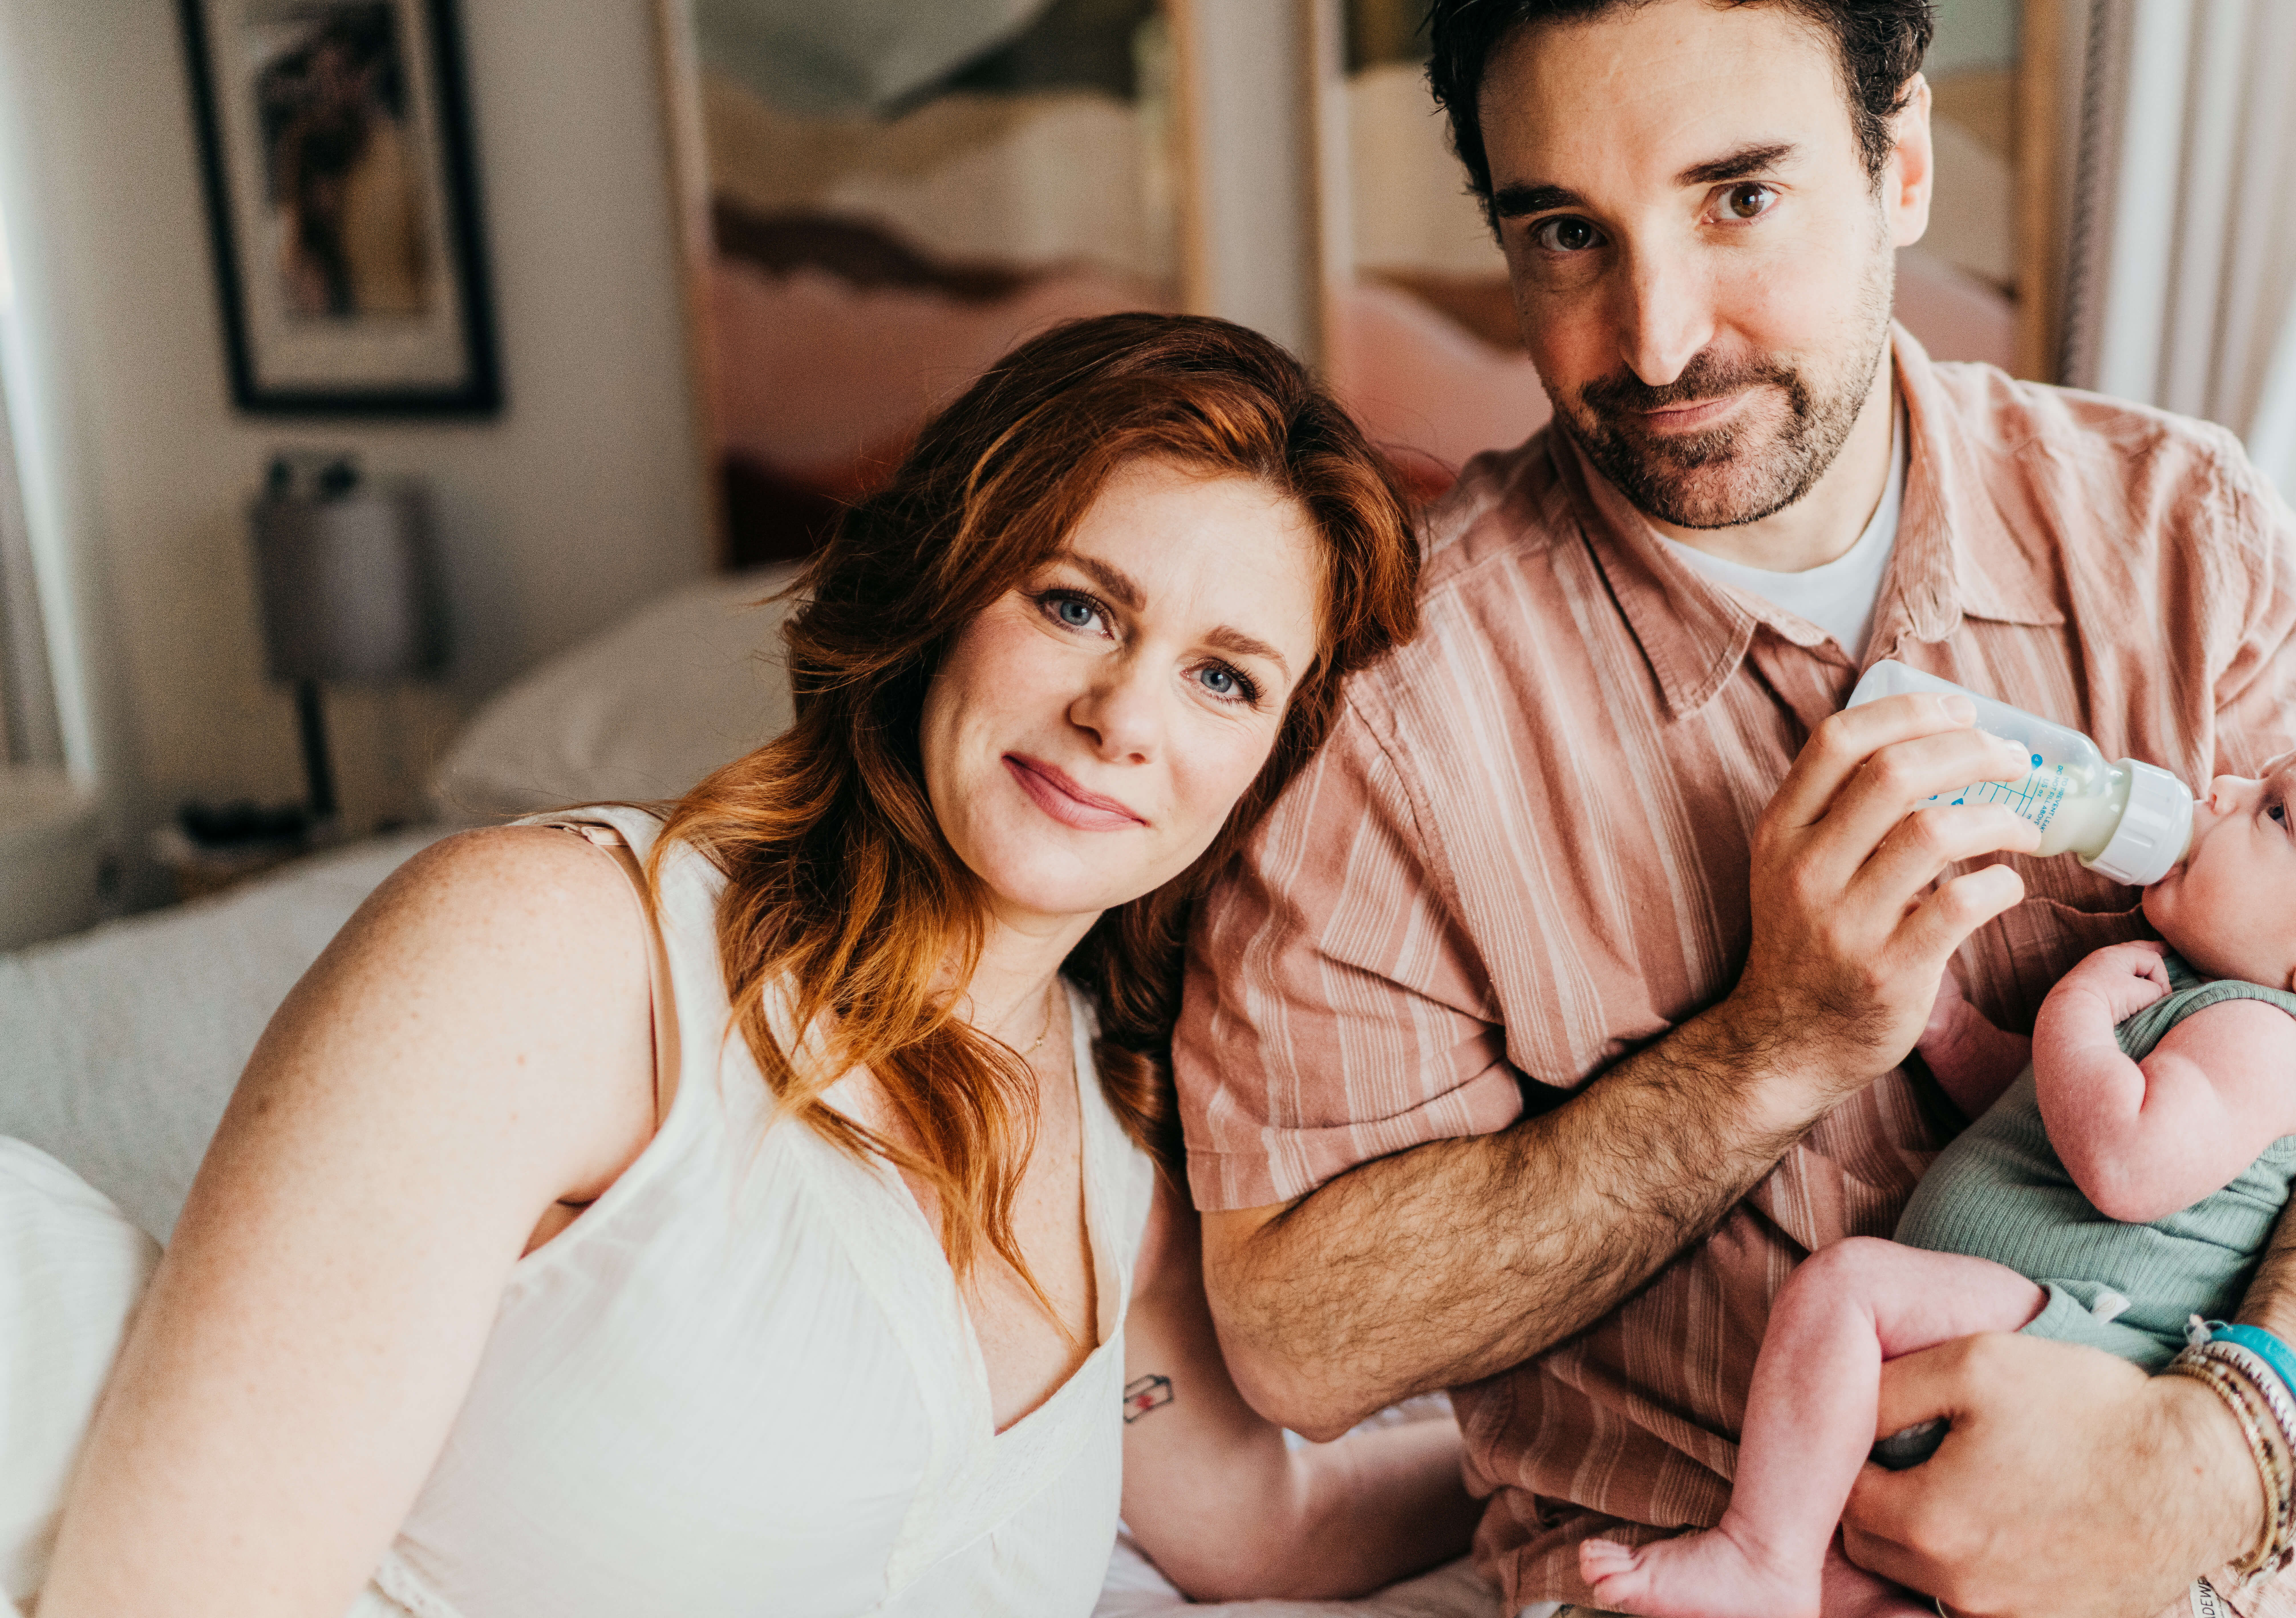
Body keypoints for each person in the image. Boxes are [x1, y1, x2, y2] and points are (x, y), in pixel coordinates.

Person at [1174, 0, 2296, 1617]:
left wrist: (2218, 1454)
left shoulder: (2177, 536)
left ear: (1898, 162)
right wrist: (1769, 1049)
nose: (1657, 339)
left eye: (1739, 199)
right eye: (1565, 234)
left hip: (2248, 1550)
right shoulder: (1393, 698)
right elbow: (1297, 1339)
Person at [34, 313, 1477, 1618]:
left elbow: (1265, 1530)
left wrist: (1583, 1446)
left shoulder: (1116, 1151)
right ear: (944, 592)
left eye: (1224, 678)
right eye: (1076, 605)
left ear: (1265, 769)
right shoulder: (545, 954)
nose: (1122, 716)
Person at [1577, 735, 2296, 1618]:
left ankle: (1762, 1557)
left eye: (2275, 810)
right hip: (2022, 1339)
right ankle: (1814, 1579)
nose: (2221, 786)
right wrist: (1959, 1032)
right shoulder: (2206, 1002)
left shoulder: (2266, 1040)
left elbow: (2127, 1163)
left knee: (1849, 1289)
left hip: (2085, 1342)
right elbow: (2052, 1116)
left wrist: (2074, 1014)